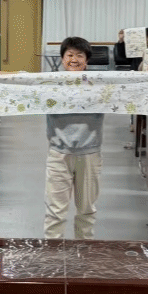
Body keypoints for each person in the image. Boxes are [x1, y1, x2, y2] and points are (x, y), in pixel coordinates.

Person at [39, 36, 105, 240]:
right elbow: (19, 80)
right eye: (69, 55)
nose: (74, 59)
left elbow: (135, 81)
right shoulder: (49, 84)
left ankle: (84, 253)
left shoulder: (100, 84)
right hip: (58, 155)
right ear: (62, 59)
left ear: (87, 60)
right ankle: (52, 253)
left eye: (79, 55)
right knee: (55, 212)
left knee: (87, 211)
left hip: (90, 154)